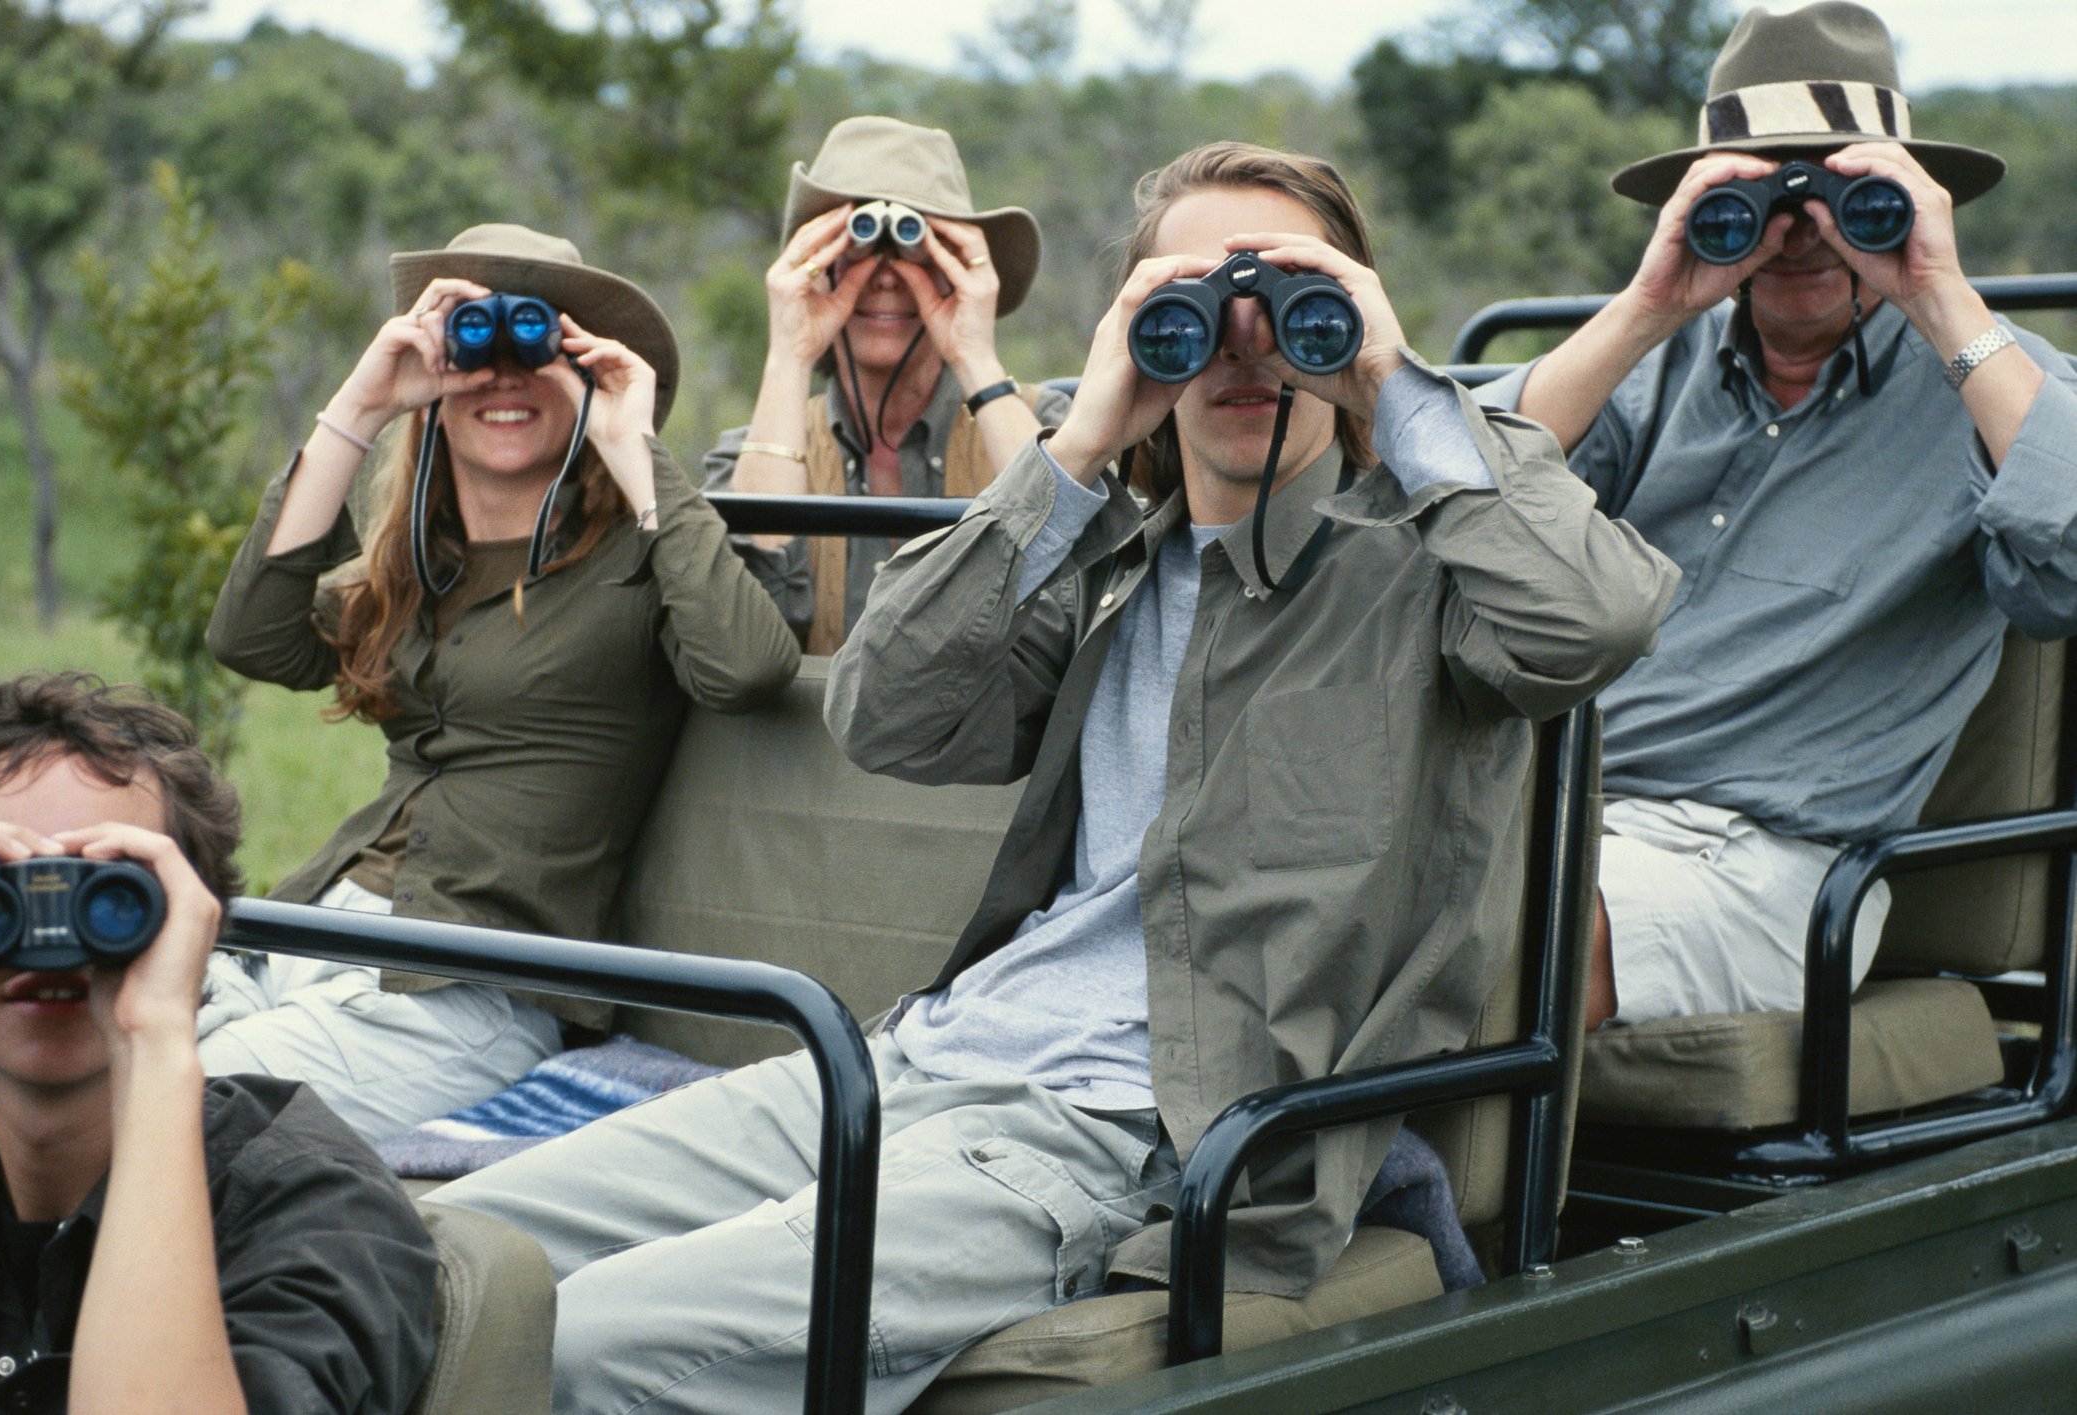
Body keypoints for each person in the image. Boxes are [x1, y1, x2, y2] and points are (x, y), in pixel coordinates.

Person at [432, 141, 1676, 1414]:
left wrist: (1383, 373)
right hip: (910, 1062)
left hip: (1127, 1134)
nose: (1245, 342)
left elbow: (1591, 620)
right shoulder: (1107, 565)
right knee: (427, 1265)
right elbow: (884, 711)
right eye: (1195, 304)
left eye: (1289, 302)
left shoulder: (1427, 577)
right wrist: (1078, 440)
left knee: (577, 1346)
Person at [1472, 1, 2077, 1030]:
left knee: (1502, 949)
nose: (1801, 231)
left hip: (1772, 865)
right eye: (1760, 197)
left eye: (1848, 195)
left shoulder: (1996, 387)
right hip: (1548, 815)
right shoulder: (1652, 370)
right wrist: (1650, 304)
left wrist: (1937, 294)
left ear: (1913, 199)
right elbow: (1447, 493)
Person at [204, 224, 800, 1141]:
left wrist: (630, 442)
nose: (503, 373)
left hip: (462, 987)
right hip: (309, 931)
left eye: (541, 344)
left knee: (163, 1100)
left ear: (587, 371)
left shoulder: (642, 564)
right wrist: (361, 407)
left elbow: (750, 665)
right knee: (8, 1051)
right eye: (470, 343)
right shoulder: (410, 565)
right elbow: (251, 635)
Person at [0, 672, 439, 1415]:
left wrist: (152, 1042)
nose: (44, 946)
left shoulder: (316, 1210)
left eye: (110, 897)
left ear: (194, 922)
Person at [703, 115, 1070, 653]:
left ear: (958, 263)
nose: (883, 275)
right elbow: (746, 640)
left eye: (914, 242)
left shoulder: (1047, 426)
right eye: (856, 241)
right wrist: (789, 353)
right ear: (815, 262)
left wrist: (974, 355)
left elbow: (1078, 585)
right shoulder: (747, 458)